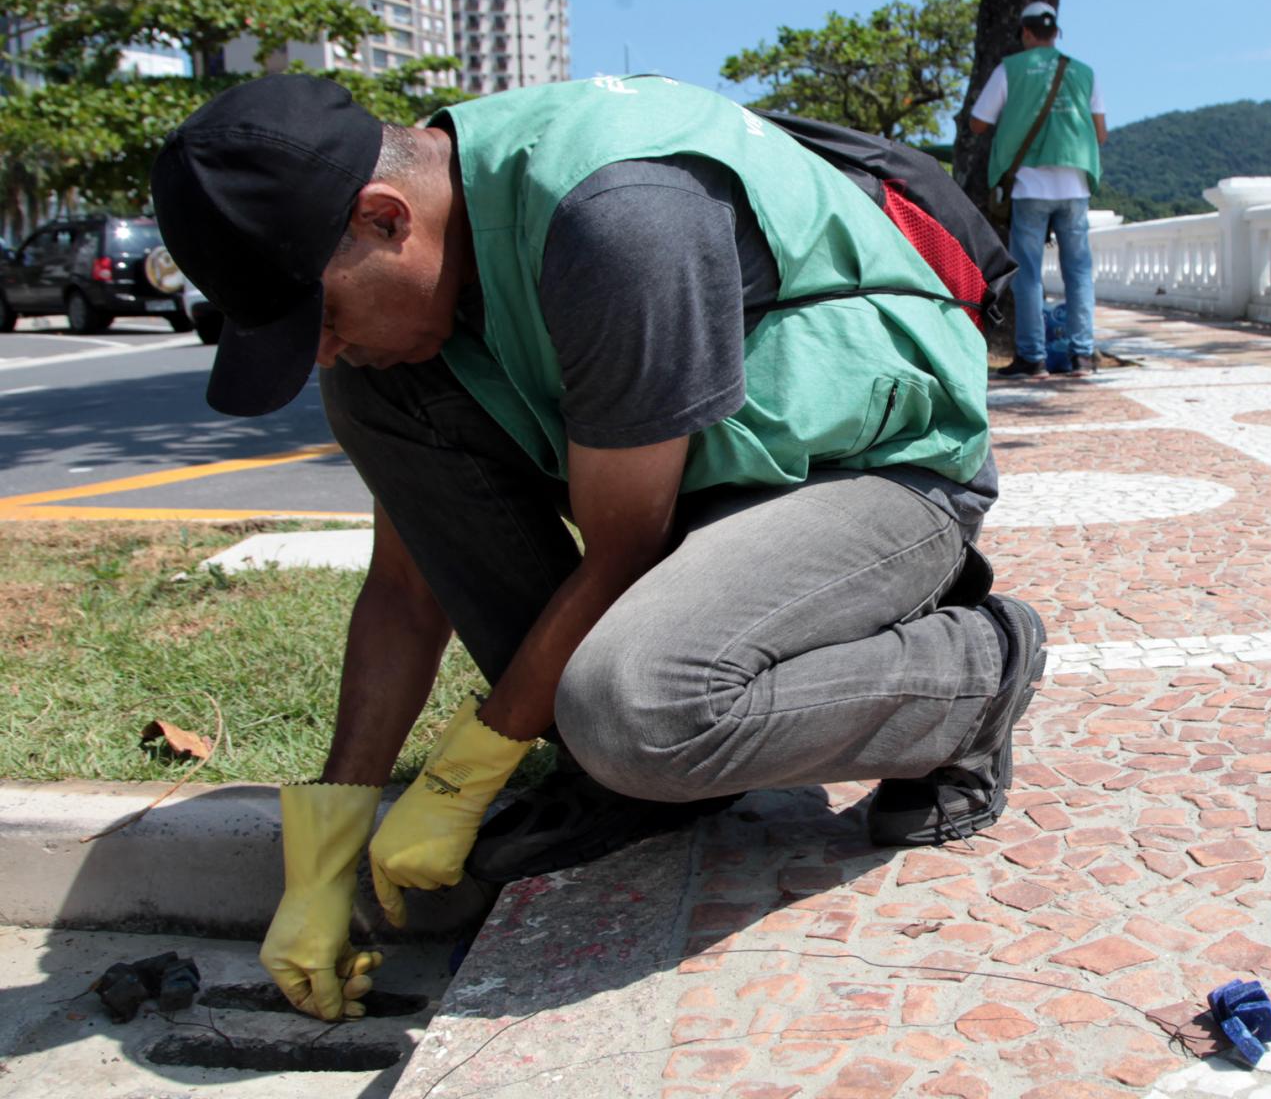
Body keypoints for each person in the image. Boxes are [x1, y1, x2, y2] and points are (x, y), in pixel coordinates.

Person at [149, 74, 1048, 1022]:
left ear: (383, 218)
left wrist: (464, 776)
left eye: (320, 317)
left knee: (638, 708)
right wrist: (324, 853)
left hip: (874, 477)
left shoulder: (617, 219)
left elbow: (624, 548)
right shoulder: (397, 340)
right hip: (704, 496)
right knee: (376, 393)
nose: (322, 351)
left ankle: (978, 669)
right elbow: (408, 586)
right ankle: (641, 775)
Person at [969, 0, 1108, 378]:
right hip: (1075, 182)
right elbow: (1100, 132)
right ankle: (1081, 355)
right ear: (1056, 33)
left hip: (1030, 184)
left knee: (1028, 272)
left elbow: (979, 123)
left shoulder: (1009, 70)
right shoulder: (1084, 72)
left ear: (1026, 33)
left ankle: (1033, 358)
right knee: (1078, 271)